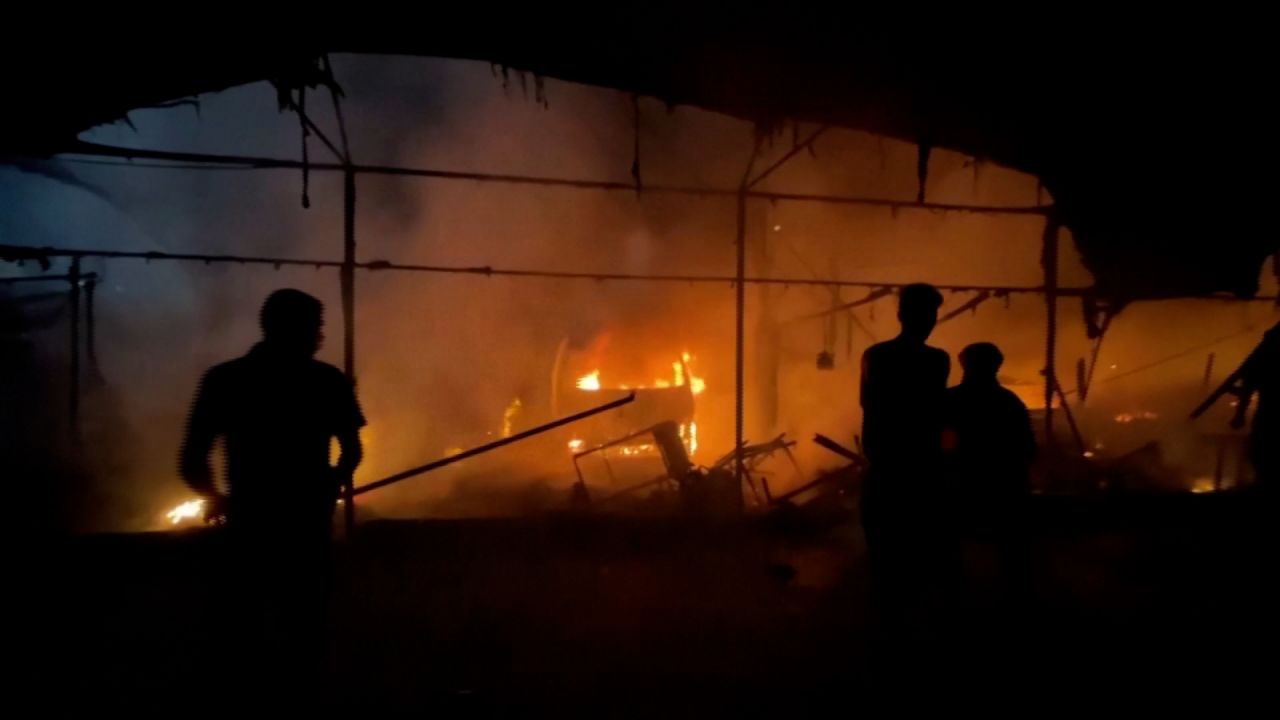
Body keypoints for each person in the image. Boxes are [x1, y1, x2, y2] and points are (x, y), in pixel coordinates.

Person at [179, 288, 365, 691]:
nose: (320, 336)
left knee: (243, 626)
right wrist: (330, 483)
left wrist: (217, 498)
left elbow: (192, 458)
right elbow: (352, 452)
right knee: (303, 626)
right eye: (316, 328)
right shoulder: (326, 381)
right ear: (299, 330)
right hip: (305, 525)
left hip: (249, 521)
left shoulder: (225, 379)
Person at [859, 283, 951, 627]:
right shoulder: (935, 361)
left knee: (888, 565)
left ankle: (890, 634)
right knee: (918, 564)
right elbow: (936, 415)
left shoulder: (876, 356)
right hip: (919, 474)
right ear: (906, 316)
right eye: (926, 314)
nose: (929, 321)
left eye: (931, 315)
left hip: (889, 470)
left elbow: (870, 409)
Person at [943, 342, 1035, 602]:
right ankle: (1016, 604)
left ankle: (952, 605)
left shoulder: (951, 401)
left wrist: (950, 467)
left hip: (960, 487)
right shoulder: (1010, 403)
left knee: (951, 553)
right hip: (1005, 489)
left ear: (962, 363)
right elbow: (1027, 449)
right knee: (1013, 557)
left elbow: (945, 444)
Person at [1236, 322, 1279, 492]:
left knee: (1262, 459)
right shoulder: (1268, 350)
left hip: (1266, 420)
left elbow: (1249, 382)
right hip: (1266, 419)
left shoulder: (1267, 350)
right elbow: (1250, 382)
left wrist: (1240, 414)